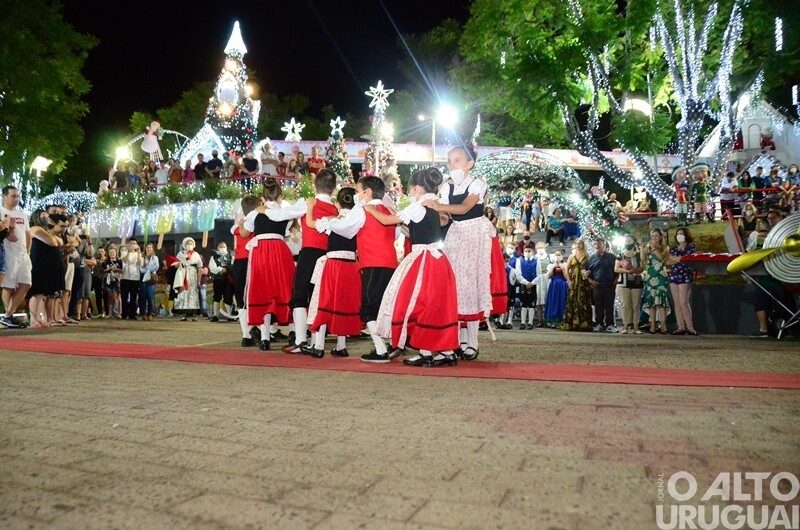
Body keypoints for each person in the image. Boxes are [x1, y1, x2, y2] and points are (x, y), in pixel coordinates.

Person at [365, 167, 460, 367]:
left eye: (411, 189)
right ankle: (446, 351)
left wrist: (371, 208)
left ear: (417, 188)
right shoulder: (434, 204)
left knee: (412, 302)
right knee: (434, 304)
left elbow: (387, 220)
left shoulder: (418, 206)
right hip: (437, 259)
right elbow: (417, 228)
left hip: (423, 258)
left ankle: (426, 352)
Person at [423, 145, 496, 361]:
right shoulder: (446, 187)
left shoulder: (478, 184)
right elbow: (445, 218)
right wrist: (425, 218)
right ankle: (457, 340)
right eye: (450, 161)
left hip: (475, 233)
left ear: (469, 164)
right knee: (454, 286)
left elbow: (464, 208)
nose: (452, 164)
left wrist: (437, 206)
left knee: (471, 285)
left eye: (457, 160)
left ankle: (471, 341)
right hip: (456, 234)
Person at [315, 176, 399, 363]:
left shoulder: (362, 209)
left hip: (373, 262)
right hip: (390, 263)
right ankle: (389, 344)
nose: (356, 195)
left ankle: (380, 349)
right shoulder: (387, 209)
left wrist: (329, 222)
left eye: (358, 190)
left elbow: (346, 228)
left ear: (367, 192)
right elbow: (397, 232)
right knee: (383, 306)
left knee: (368, 308)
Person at [281, 169, 338, 354]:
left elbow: (283, 214)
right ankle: (315, 341)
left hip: (310, 252)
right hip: (328, 255)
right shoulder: (335, 209)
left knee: (299, 296)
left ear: (315, 185)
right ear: (333, 188)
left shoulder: (307, 204)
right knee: (317, 297)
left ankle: (300, 340)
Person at [304, 187, 362, 358]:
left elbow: (310, 224)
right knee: (343, 302)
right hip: (351, 264)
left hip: (333, 264)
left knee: (326, 301)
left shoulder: (332, 219)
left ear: (337, 203)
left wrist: (309, 207)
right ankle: (341, 345)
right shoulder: (358, 221)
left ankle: (319, 345)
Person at [243, 178, 298, 350]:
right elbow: (291, 226)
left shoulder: (255, 213)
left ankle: (265, 338)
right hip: (280, 251)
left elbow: (244, 233)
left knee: (263, 292)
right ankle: (294, 332)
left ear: (263, 197)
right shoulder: (285, 213)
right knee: (286, 289)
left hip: (261, 253)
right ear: (280, 197)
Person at [26, 213, 68, 328]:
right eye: (43, 217)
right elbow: (53, 241)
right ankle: (34, 320)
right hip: (38, 263)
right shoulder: (35, 228)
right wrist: (53, 238)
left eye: (47, 217)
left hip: (45, 264)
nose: (46, 219)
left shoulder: (43, 230)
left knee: (41, 295)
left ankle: (40, 319)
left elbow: (59, 242)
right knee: (37, 293)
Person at [232, 195, 262, 347]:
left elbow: (237, 233)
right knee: (257, 296)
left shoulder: (239, 225)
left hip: (238, 261)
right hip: (253, 260)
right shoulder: (257, 222)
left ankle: (246, 335)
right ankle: (262, 333)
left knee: (241, 298)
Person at [0, 186, 31, 328]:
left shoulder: (22, 215)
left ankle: (8, 314)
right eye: (13, 196)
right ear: (4, 196)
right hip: (8, 253)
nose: (16, 199)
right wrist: (7, 232)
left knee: (26, 283)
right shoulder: (1, 212)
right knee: (8, 285)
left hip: (23, 253)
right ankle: (8, 315)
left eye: (18, 196)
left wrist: (27, 251)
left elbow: (27, 234)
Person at [667, 226, 698, 335]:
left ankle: (690, 327)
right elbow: (668, 262)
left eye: (682, 233)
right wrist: (678, 259)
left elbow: (687, 259)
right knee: (677, 303)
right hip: (674, 276)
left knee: (684, 301)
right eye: (678, 233)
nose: (679, 235)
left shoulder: (691, 247)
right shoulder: (674, 248)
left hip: (685, 276)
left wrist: (676, 259)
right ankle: (680, 327)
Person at [583, 237, 618, 332]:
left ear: (604, 245)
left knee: (609, 305)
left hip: (609, 285)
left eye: (599, 243)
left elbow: (617, 270)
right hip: (596, 286)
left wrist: (616, 280)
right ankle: (599, 324)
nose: (597, 245)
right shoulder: (591, 258)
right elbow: (586, 272)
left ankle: (610, 324)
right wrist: (590, 281)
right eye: (595, 244)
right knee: (598, 305)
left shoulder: (612, 257)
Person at [641, 228, 671, 334]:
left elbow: (661, 258)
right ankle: (652, 325)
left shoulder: (665, 247)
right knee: (652, 302)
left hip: (660, 275)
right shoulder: (648, 247)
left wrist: (653, 249)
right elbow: (642, 258)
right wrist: (642, 247)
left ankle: (663, 325)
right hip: (650, 274)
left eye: (656, 236)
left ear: (660, 237)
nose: (654, 238)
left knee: (661, 301)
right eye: (652, 236)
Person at [614, 235, 644, 334]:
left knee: (635, 305)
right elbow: (616, 268)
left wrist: (637, 270)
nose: (627, 242)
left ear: (634, 242)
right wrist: (627, 271)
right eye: (626, 240)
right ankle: (625, 326)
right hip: (623, 283)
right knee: (625, 305)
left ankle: (636, 326)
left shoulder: (638, 254)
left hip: (636, 282)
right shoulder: (620, 255)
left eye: (629, 240)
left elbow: (643, 266)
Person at [561, 239, 592, 331]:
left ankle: (584, 324)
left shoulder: (587, 256)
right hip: (574, 281)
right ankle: (571, 323)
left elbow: (591, 268)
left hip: (584, 282)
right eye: (577, 243)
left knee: (583, 301)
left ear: (583, 245)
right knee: (572, 301)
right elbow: (566, 269)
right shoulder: (572, 256)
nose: (578, 245)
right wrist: (569, 281)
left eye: (580, 243)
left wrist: (588, 272)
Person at [173, 237, 203, 321]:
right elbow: (175, 263)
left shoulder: (196, 254)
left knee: (193, 293)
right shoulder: (180, 254)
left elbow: (200, 267)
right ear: (184, 245)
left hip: (193, 274)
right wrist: (178, 265)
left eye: (191, 244)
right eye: (188, 244)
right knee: (183, 293)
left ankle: (194, 313)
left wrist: (199, 280)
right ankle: (184, 313)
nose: (189, 245)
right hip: (183, 274)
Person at [208, 240, 234, 322]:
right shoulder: (214, 257)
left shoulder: (231, 257)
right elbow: (212, 267)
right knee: (217, 296)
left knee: (228, 296)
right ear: (217, 248)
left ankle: (229, 315)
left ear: (226, 248)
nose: (222, 248)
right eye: (220, 247)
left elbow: (233, 266)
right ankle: (216, 315)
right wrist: (220, 269)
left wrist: (226, 269)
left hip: (228, 280)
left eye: (224, 247)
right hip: (218, 279)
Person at [515, 244, 537, 330]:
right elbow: (518, 274)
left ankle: (530, 323)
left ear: (533, 252)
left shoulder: (536, 261)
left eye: (529, 251)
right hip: (523, 284)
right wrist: (526, 282)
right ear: (523, 252)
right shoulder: (519, 261)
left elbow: (538, 274)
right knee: (523, 304)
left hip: (533, 284)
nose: (527, 253)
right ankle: (523, 322)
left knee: (531, 304)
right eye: (526, 251)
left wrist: (532, 283)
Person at [544, 249, 568, 328]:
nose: (557, 256)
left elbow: (566, 277)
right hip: (554, 284)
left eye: (559, 255)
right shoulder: (551, 265)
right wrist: (552, 268)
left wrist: (563, 269)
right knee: (553, 301)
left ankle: (562, 320)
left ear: (562, 255)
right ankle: (552, 320)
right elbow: (548, 276)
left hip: (562, 284)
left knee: (562, 301)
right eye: (556, 255)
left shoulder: (565, 264)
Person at [119, 240, 143, 320]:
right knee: (124, 297)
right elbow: (125, 261)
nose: (133, 245)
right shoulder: (124, 252)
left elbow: (139, 264)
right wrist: (129, 252)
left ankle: (132, 314)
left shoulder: (138, 254)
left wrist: (139, 253)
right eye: (131, 243)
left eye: (134, 243)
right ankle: (124, 314)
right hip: (125, 278)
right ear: (129, 244)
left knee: (133, 297)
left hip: (135, 278)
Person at [139, 242, 160, 321]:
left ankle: (150, 313)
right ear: (145, 249)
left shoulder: (155, 258)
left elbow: (156, 267)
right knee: (143, 296)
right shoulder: (142, 257)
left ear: (152, 249)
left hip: (151, 278)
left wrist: (147, 268)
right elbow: (141, 269)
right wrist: (148, 268)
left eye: (150, 247)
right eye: (147, 247)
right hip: (143, 278)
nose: (149, 249)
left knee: (150, 296)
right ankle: (143, 313)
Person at [103, 246, 123, 319]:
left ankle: (118, 313)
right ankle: (110, 313)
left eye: (113, 252)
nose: (112, 253)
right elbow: (102, 271)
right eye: (110, 252)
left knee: (117, 297)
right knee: (110, 297)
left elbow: (122, 270)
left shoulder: (120, 261)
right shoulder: (106, 262)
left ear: (116, 253)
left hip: (117, 280)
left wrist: (116, 269)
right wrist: (107, 270)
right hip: (109, 281)